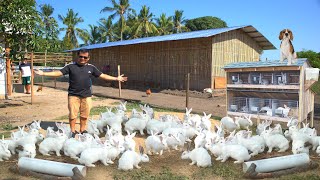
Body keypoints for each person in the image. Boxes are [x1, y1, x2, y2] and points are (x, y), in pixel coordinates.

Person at [34, 48, 128, 137]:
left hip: (87, 96)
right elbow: (58, 73)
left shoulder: (91, 68)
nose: (82, 58)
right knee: (73, 114)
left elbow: (102, 75)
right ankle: (72, 131)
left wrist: (116, 78)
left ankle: (82, 130)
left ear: (88, 58)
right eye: (81, 56)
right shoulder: (70, 67)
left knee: (85, 114)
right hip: (73, 95)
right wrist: (43, 73)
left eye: (85, 57)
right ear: (77, 56)